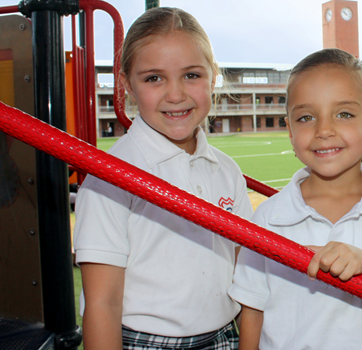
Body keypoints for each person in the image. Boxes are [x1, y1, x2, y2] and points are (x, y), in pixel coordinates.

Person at [229, 48, 362, 350]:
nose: (324, 130)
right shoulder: (268, 217)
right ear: (289, 129)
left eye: (344, 114)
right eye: (306, 117)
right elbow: (253, 310)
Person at [74, 8, 252, 350]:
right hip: (144, 342)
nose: (175, 94)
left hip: (222, 336)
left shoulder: (225, 170)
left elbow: (244, 274)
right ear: (126, 84)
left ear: (213, 77)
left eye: (191, 75)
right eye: (154, 78)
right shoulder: (112, 176)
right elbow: (102, 302)